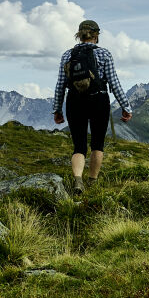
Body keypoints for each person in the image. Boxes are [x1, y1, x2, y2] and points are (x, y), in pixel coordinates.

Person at [52, 19, 132, 196]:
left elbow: (60, 85)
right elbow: (114, 82)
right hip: (99, 100)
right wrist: (126, 107)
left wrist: (57, 109)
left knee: (79, 146)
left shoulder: (67, 55)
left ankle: (78, 181)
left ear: (79, 35)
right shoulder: (104, 54)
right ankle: (92, 184)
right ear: (96, 35)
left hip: (75, 101)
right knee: (97, 144)